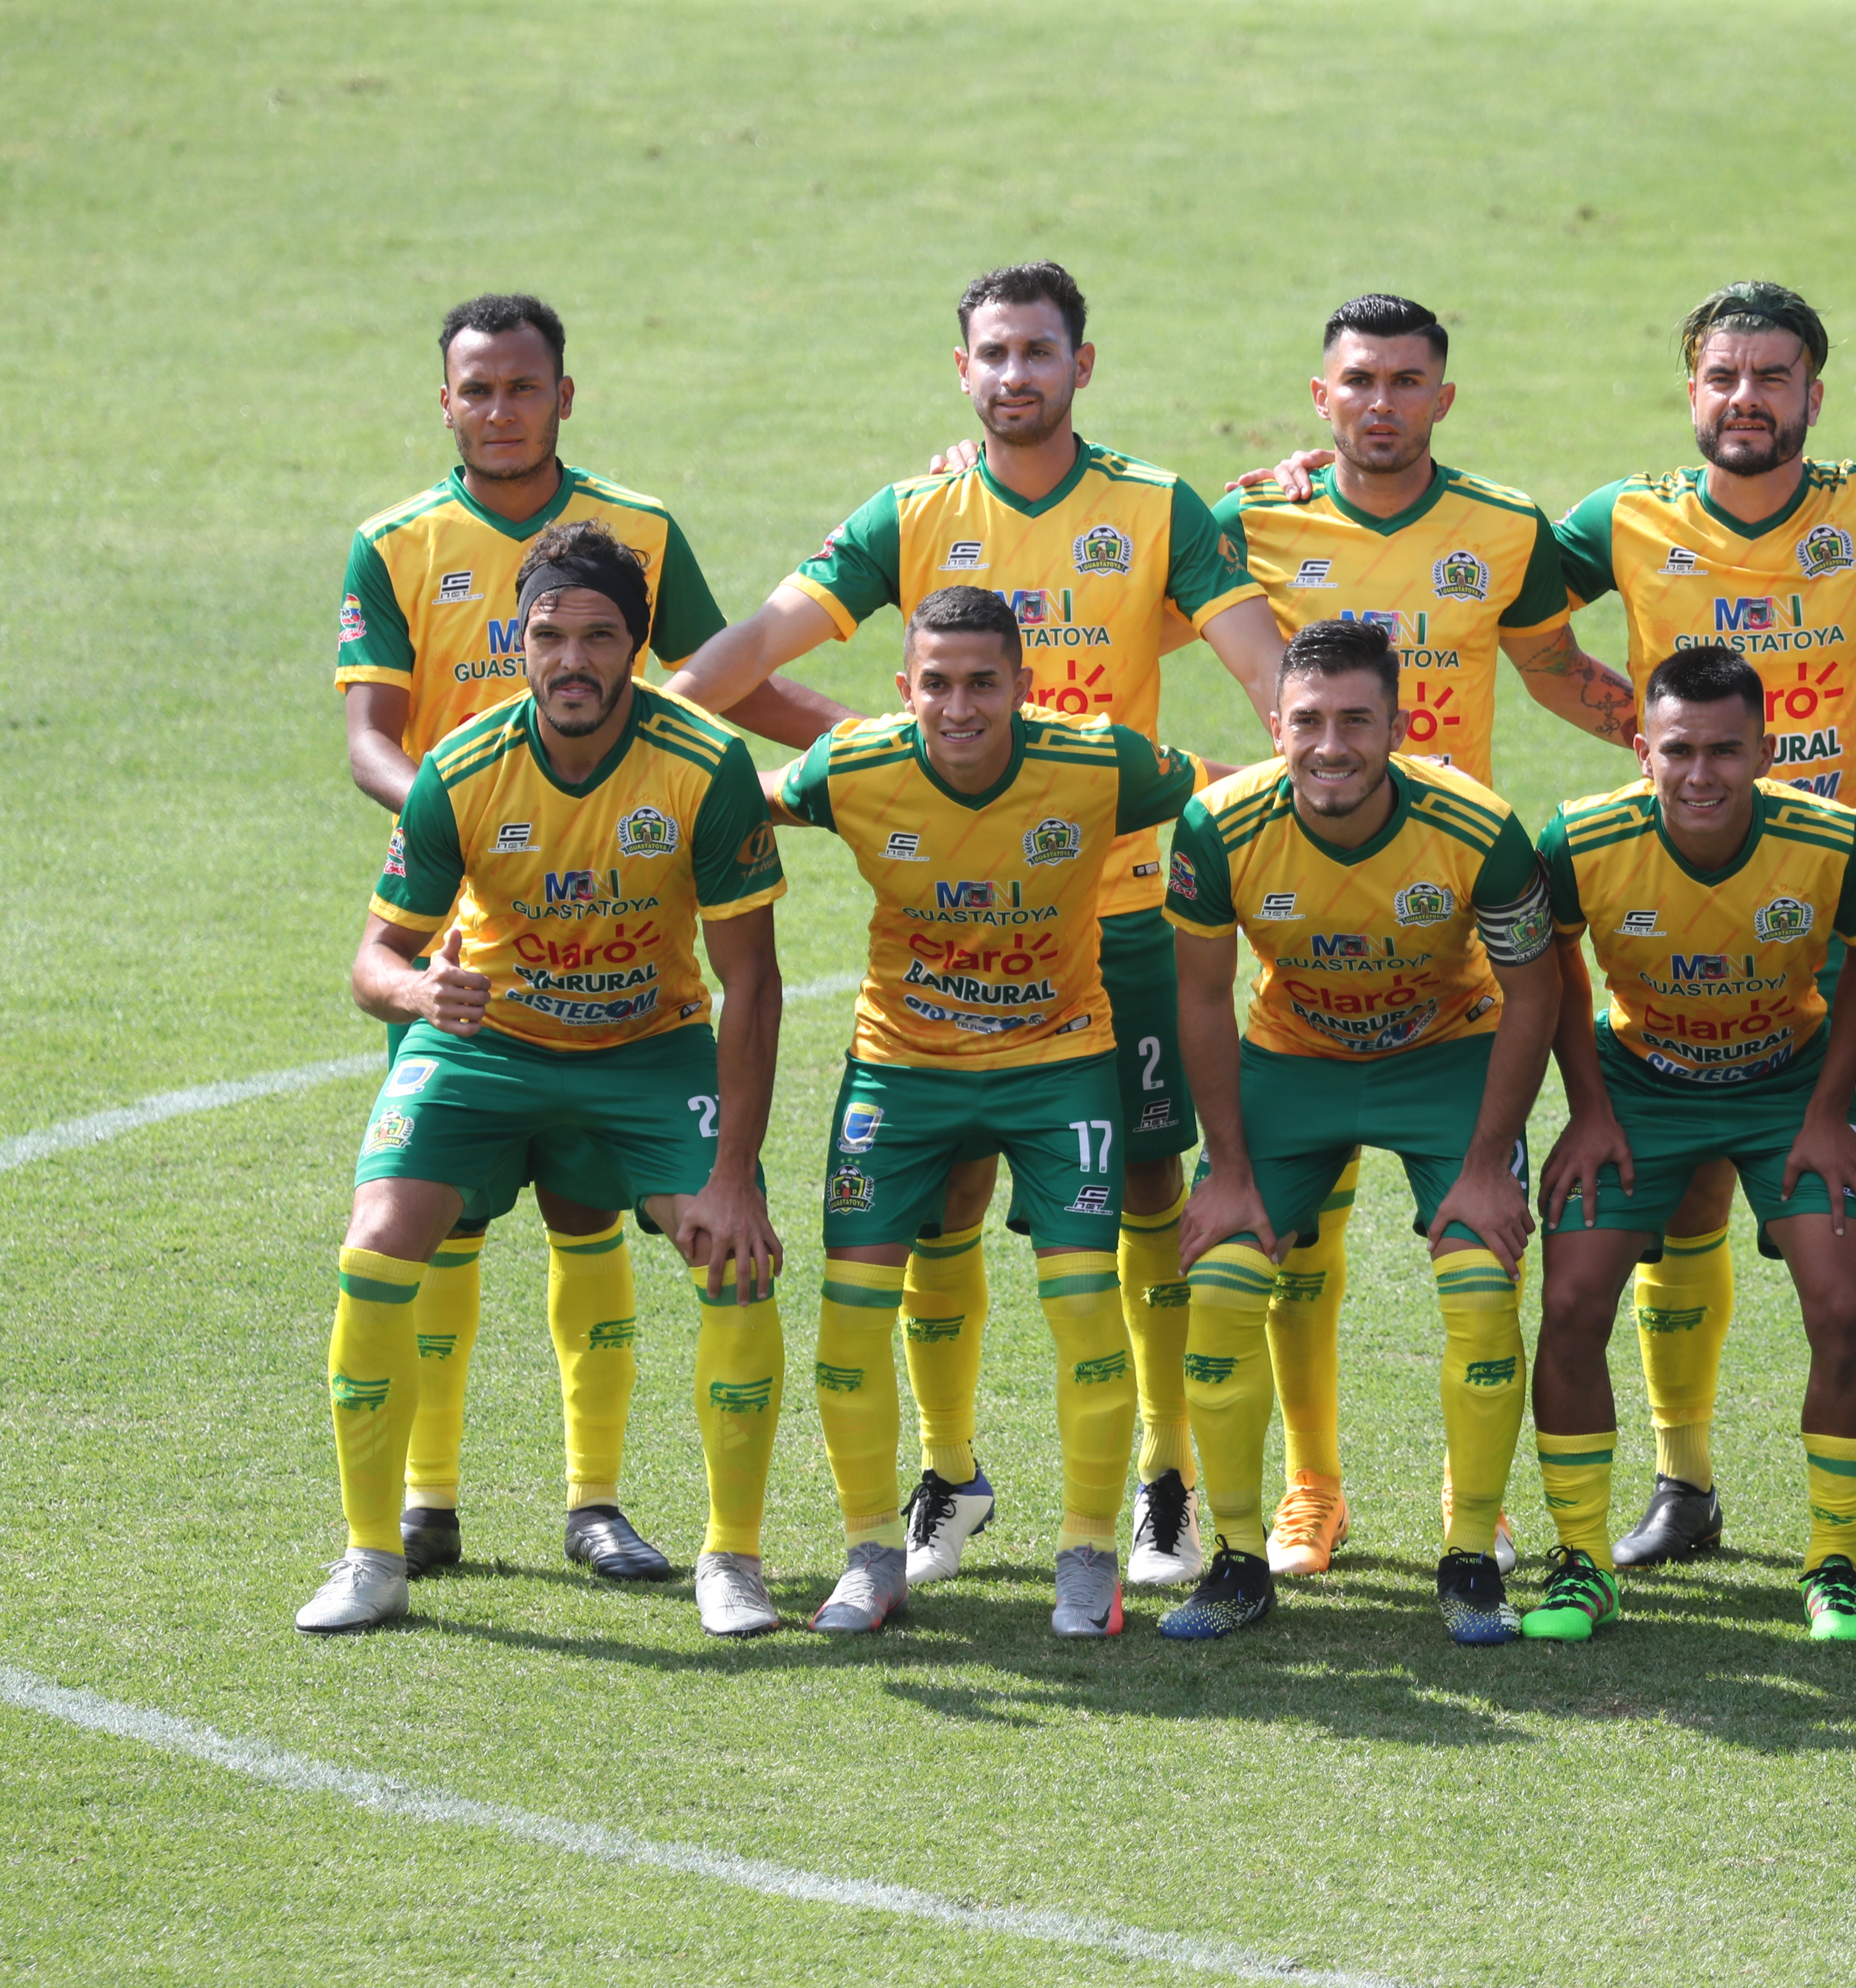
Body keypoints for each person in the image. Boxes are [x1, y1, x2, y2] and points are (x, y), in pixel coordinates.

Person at [667, 263, 1289, 1593]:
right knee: (942, 1195)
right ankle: (951, 1474)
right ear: (963, 371)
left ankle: (1162, 1481)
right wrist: (840, 752)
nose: (1017, 375)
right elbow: (746, 655)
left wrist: (1314, 778)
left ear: (1084, 364)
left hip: (1118, 912)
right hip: (952, 935)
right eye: (994, 353)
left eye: (1041, 352)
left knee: (1145, 1190)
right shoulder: (912, 514)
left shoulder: (1156, 506)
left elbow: (1264, 672)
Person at [331, 292, 842, 1585]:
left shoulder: (644, 536)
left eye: (523, 387)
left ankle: (595, 1503)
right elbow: (370, 744)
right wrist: (493, 813)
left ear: (568, 395)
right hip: (473, 930)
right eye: (475, 390)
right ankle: (425, 1508)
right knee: (429, 1231)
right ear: (442, 402)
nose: (499, 409)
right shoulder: (393, 546)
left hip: (629, 926)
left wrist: (885, 757)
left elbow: (740, 686)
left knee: (582, 1218)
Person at [1189, 292, 1635, 1578]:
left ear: (1445, 395)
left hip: (1449, 924)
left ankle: (1471, 1516)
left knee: (1476, 1269)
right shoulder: (1250, 518)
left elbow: (1556, 669)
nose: (1380, 402)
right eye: (1357, 381)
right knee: (1292, 1251)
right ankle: (1309, 1491)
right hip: (1301, 943)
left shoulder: (1503, 529)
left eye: (1406, 380)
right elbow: (1105, 604)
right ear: (1320, 397)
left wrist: (1676, 763)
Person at [299, 522, 789, 1638]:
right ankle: (373, 1556)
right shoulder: (462, 771)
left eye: (601, 637)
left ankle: (735, 1560)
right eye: (550, 635)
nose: (573, 659)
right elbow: (371, 963)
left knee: (737, 1256)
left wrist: (735, 1175)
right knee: (377, 1245)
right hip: (485, 1048)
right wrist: (423, 995)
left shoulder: (704, 764)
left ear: (636, 647)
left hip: (646, 1050)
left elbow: (751, 984)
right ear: (517, 640)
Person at [1546, 282, 1856, 1574]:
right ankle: (1685, 1477)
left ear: (1815, 396)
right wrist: (1646, 740)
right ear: (1692, 390)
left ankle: (1855, 1503)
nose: (1747, 399)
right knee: (1684, 1212)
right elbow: (1510, 605)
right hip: (1673, 911)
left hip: (1830, 919)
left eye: (1775, 377)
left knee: (1842, 1222)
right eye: (1723, 376)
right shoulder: (1627, 517)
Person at [760, 586, 1212, 1638]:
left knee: (1085, 1309)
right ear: (902, 690)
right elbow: (732, 806)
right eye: (936, 685)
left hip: (1058, 1065)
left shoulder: (1099, 762)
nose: (958, 707)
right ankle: (873, 1554)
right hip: (902, 1071)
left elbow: (1224, 796)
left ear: (1023, 686)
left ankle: (1089, 1555)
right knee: (848, 1319)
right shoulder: (855, 768)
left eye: (981, 684)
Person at [1158, 618, 1559, 1643]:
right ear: (1276, 724)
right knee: (1221, 1282)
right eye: (1307, 722)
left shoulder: (1477, 827)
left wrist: (1483, 1167)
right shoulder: (1217, 827)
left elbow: (1534, 992)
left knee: (1479, 1280)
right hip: (1294, 1061)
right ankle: (1241, 1563)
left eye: (1355, 722)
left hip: (1446, 1059)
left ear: (1398, 726)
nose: (1329, 745)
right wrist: (1230, 1171)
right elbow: (1201, 1002)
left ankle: (1472, 1552)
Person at [1525, 646, 1856, 1644]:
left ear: (1765, 750)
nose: (1702, 775)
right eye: (1679, 750)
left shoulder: (1833, 842)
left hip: (1786, 1084)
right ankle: (1581, 1563)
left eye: (1727, 752)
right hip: (1643, 1082)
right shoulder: (1579, 842)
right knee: (1567, 1301)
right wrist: (1590, 1108)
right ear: (1642, 750)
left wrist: (1827, 1114)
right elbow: (1554, 961)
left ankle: (1832, 1566)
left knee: (1842, 1301)